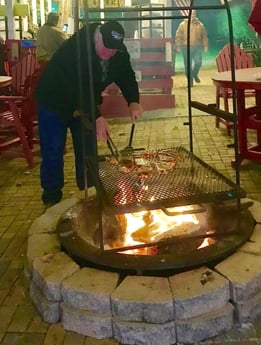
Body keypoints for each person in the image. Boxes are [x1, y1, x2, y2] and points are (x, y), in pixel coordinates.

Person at [35, 20, 143, 206]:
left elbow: (126, 75)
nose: (109, 53)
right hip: (54, 101)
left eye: (114, 49)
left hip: (84, 105)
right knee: (53, 151)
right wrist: (97, 117)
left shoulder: (118, 51)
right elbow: (78, 86)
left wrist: (133, 101)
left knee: (88, 151)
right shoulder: (77, 47)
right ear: (98, 36)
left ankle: (90, 192)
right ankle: (51, 199)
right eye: (107, 47)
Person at [175, 10, 208, 86]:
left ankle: (194, 74)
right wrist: (178, 46)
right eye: (191, 13)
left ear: (195, 15)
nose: (192, 15)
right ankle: (190, 82)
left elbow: (204, 36)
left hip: (197, 47)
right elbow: (178, 36)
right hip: (186, 47)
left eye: (194, 13)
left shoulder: (200, 25)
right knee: (187, 65)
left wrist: (205, 46)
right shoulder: (183, 25)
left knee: (198, 62)